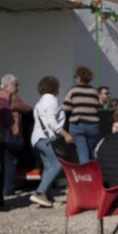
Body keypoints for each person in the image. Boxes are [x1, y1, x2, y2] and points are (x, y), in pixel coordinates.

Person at [0, 74, 33, 207]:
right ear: (7, 85)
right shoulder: (11, 97)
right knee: (11, 160)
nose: (18, 87)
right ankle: (7, 189)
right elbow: (28, 108)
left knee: (1, 162)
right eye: (15, 84)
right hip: (10, 131)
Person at [29, 76, 69, 207]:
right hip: (46, 138)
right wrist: (64, 133)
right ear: (55, 87)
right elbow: (52, 122)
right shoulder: (52, 101)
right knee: (56, 165)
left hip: (37, 138)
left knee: (48, 167)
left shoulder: (39, 103)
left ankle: (47, 197)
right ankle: (39, 193)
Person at [62, 67, 103, 164]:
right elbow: (99, 105)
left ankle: (85, 175)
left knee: (82, 153)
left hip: (77, 125)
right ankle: (95, 173)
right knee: (92, 153)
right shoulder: (94, 91)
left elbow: (66, 107)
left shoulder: (73, 90)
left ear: (79, 78)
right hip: (93, 125)